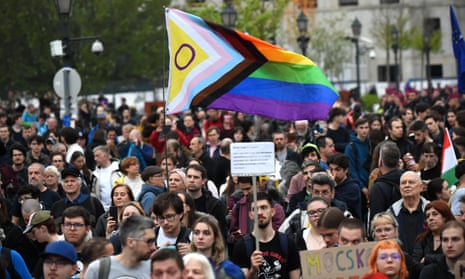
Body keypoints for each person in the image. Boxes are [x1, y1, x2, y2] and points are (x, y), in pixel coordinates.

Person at [231, 192, 301, 279]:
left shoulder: (287, 243)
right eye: (255, 209)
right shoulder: (242, 246)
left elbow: (295, 275)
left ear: (272, 212)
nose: (260, 212)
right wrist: (252, 270)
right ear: (251, 215)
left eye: (264, 207)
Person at [84, 215, 156, 279]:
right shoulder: (98, 269)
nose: (154, 247)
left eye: (154, 241)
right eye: (149, 242)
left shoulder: (157, 269)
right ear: (130, 242)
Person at [388, 171, 429, 255]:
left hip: (426, 262)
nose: (407, 185)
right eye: (403, 183)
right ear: (400, 188)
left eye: (411, 182)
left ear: (421, 187)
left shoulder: (431, 210)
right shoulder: (391, 213)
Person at [411, 200, 455, 277]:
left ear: (445, 217)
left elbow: (453, 259)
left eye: (435, 214)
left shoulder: (455, 237)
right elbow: (414, 263)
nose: (430, 218)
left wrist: (428, 259)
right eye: (427, 216)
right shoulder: (422, 239)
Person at [185, 164, 227, 240]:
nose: (191, 180)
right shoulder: (178, 201)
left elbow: (221, 232)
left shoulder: (215, 204)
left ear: (203, 181)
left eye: (196, 177)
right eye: (189, 176)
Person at [369, 141, 403, 221]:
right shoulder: (408, 181)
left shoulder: (378, 188)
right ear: (398, 162)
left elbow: (376, 217)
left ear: (380, 162)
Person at [327, 153, 362, 219]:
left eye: (337, 169)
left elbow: (340, 206)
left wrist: (331, 186)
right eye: (331, 169)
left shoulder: (353, 187)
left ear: (346, 170)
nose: (334, 173)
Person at [91, 145, 121, 211]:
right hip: (103, 209)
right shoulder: (95, 174)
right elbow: (93, 192)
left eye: (97, 155)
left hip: (119, 206)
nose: (95, 159)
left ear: (105, 155)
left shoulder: (119, 168)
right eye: (94, 156)